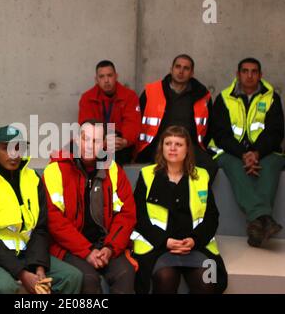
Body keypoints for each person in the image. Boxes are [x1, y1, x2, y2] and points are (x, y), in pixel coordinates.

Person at [0, 125, 82, 294]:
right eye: (6, 148)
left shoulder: (32, 179)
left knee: (72, 277)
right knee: (5, 287)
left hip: (25, 253)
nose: (14, 154)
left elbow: (40, 227)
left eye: (19, 148)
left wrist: (39, 266)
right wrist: (22, 273)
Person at [43, 120, 137, 294]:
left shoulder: (113, 170)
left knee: (126, 273)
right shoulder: (55, 170)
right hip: (69, 247)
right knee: (88, 279)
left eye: (95, 141)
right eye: (85, 139)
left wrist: (110, 248)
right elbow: (53, 219)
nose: (89, 146)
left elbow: (126, 214)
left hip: (106, 244)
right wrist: (87, 251)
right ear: (77, 140)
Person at [132, 126, 227, 294]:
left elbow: (212, 217)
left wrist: (194, 240)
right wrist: (165, 241)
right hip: (158, 247)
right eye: (168, 143)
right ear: (162, 148)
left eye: (178, 144)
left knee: (209, 280)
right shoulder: (147, 175)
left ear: (187, 149)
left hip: (196, 246)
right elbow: (139, 217)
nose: (173, 148)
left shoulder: (201, 175)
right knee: (166, 278)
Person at [210, 57, 284, 248]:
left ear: (260, 75)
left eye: (254, 72)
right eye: (245, 71)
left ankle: (256, 227)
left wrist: (256, 153)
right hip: (230, 152)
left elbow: (276, 131)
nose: (249, 75)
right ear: (238, 74)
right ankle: (263, 218)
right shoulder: (224, 98)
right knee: (235, 167)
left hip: (265, 152)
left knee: (272, 165)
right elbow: (220, 134)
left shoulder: (272, 98)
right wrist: (244, 154)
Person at [137, 54, 218, 182]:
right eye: (178, 67)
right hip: (160, 143)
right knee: (165, 170)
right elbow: (136, 120)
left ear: (192, 73)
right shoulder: (151, 90)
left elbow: (211, 127)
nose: (181, 71)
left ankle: (190, 196)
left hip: (189, 144)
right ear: (171, 69)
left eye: (186, 68)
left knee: (210, 167)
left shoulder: (202, 95)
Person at [78, 60, 141, 165]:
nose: (106, 80)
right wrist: (102, 141)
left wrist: (125, 141)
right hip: (97, 142)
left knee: (116, 155)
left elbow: (133, 123)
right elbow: (86, 126)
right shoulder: (87, 98)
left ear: (116, 76)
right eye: (102, 77)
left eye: (109, 75)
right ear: (96, 80)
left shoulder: (129, 96)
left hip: (121, 144)